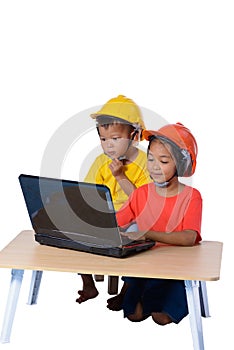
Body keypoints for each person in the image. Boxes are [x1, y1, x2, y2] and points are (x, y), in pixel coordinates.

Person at [107, 122, 202, 326]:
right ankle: (138, 293)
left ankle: (177, 297)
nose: (155, 167)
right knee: (134, 315)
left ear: (182, 165)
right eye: (150, 159)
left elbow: (189, 237)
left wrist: (149, 234)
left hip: (177, 269)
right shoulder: (141, 194)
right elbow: (115, 223)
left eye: (164, 161)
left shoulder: (192, 196)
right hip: (145, 265)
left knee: (161, 318)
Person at [76, 95, 152, 304]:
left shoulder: (146, 162)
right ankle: (88, 285)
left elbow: (143, 201)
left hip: (134, 218)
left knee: (136, 236)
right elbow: (88, 192)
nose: (109, 146)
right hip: (107, 216)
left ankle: (126, 290)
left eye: (115, 139)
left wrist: (120, 176)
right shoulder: (100, 162)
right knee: (76, 230)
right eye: (103, 139)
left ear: (134, 136)